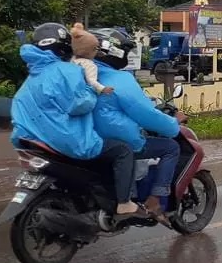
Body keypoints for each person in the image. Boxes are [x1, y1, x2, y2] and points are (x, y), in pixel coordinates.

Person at [10, 23, 142, 218]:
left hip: (31, 141)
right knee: (123, 150)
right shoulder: (68, 71)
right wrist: (93, 91)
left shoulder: (30, 79)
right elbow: (80, 105)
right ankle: (124, 203)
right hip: (67, 141)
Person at [89, 29, 182, 226]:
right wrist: (173, 125)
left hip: (85, 138)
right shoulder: (119, 79)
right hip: (117, 139)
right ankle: (154, 201)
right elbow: (145, 114)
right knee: (171, 147)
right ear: (114, 52)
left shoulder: (81, 73)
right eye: (125, 52)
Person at [70, 23, 114, 95]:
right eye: (96, 49)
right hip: (82, 93)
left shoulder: (72, 60)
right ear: (91, 50)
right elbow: (91, 81)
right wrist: (102, 88)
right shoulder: (89, 64)